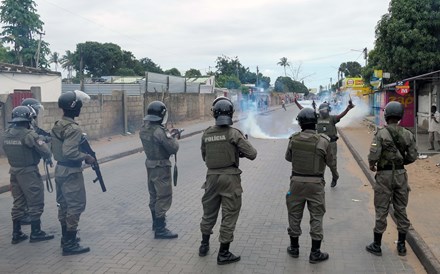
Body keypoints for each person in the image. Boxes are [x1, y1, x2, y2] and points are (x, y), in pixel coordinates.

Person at [199, 97, 257, 265]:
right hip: (230, 179)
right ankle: (223, 253)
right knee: (229, 215)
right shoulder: (234, 133)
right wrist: (238, 150)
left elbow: (205, 156)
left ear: (214, 114)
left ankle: (204, 246)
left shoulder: (206, 133)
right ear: (231, 113)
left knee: (208, 213)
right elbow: (252, 154)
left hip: (211, 178)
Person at [366, 101, 418, 257]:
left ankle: (377, 245)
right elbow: (413, 156)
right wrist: (402, 163)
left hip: (384, 176)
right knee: (401, 209)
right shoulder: (408, 134)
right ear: (400, 116)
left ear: (386, 115)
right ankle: (401, 245)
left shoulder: (381, 134)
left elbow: (374, 155)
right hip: (401, 176)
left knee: (382, 209)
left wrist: (372, 165)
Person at [285, 107, 335, 264]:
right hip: (316, 184)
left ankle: (294, 248)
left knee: (294, 215)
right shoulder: (324, 141)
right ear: (316, 122)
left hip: (296, 183)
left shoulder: (293, 139)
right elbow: (331, 162)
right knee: (316, 217)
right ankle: (315, 253)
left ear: (300, 123)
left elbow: (288, 158)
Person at [51, 90, 95, 256]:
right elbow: (70, 152)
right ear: (74, 107)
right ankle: (70, 243)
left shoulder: (58, 125)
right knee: (75, 205)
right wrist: (86, 157)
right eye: (79, 105)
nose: (81, 107)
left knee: (64, 204)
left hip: (60, 169)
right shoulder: (74, 129)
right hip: (71, 171)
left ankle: (65, 238)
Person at [2, 106, 54, 244]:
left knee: (18, 202)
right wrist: (42, 140)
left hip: (14, 171)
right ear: (29, 119)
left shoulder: (5, 134)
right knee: (35, 200)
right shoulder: (29, 134)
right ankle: (36, 233)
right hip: (29, 173)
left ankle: (16, 233)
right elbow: (46, 152)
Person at [139, 101, 179, 239]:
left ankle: (155, 224)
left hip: (150, 165)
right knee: (163, 196)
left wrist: (169, 135)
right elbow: (173, 148)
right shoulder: (160, 131)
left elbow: (156, 143)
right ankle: (160, 229)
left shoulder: (144, 129)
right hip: (161, 167)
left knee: (153, 195)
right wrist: (173, 137)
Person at [294, 98, 354, 187]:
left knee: (332, 164)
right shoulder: (316, 117)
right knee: (319, 163)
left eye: (325, 110)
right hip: (319, 143)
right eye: (322, 110)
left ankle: (335, 176)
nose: (323, 112)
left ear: (328, 110)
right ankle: (320, 180)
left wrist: (348, 108)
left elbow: (341, 115)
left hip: (331, 144)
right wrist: (296, 102)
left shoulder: (333, 118)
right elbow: (304, 110)